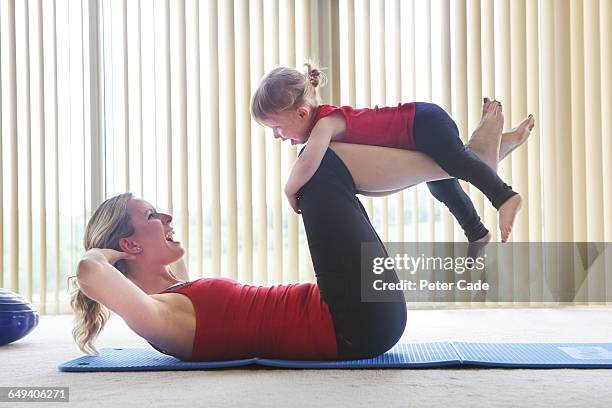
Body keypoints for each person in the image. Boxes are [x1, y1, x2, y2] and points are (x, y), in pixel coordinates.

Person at [68, 100, 533, 361]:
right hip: (352, 322)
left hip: (353, 310)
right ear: (127, 244)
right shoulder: (160, 318)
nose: (167, 218)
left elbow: (159, 261)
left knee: (328, 163)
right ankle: (466, 161)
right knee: (315, 164)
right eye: (152, 216)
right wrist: (107, 254)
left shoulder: (175, 289)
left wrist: (138, 247)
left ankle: (465, 161)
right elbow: (90, 271)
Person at [251, 64, 534, 242]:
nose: (277, 136)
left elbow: (309, 160)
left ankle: (505, 196)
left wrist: (290, 189)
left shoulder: (326, 122)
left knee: (460, 163)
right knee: (442, 187)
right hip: (419, 131)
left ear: (302, 113)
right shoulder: (325, 121)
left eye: (276, 127)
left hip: (421, 123)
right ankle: (477, 232)